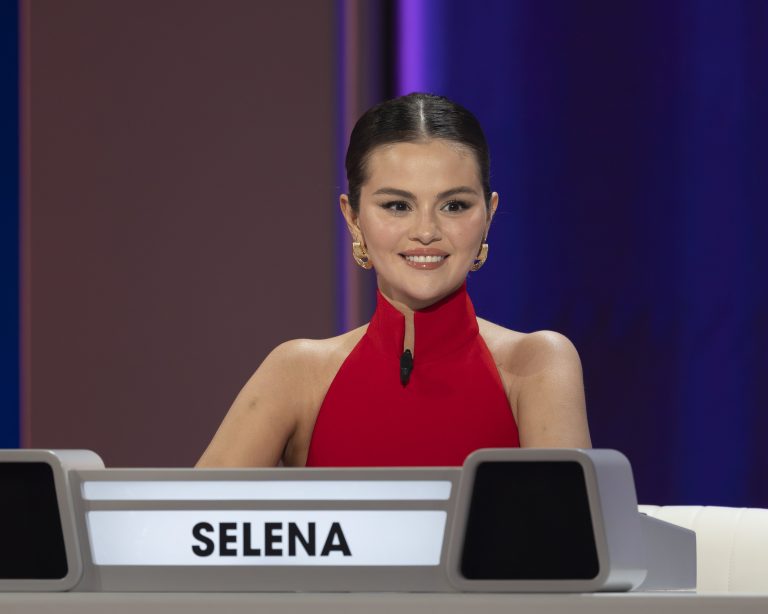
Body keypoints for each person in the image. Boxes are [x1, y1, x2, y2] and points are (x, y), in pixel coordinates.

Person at [197, 93, 590, 468]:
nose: (426, 231)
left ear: (488, 215)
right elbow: (190, 514)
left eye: (454, 205)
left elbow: (569, 518)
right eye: (398, 206)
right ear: (353, 218)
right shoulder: (298, 374)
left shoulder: (537, 364)